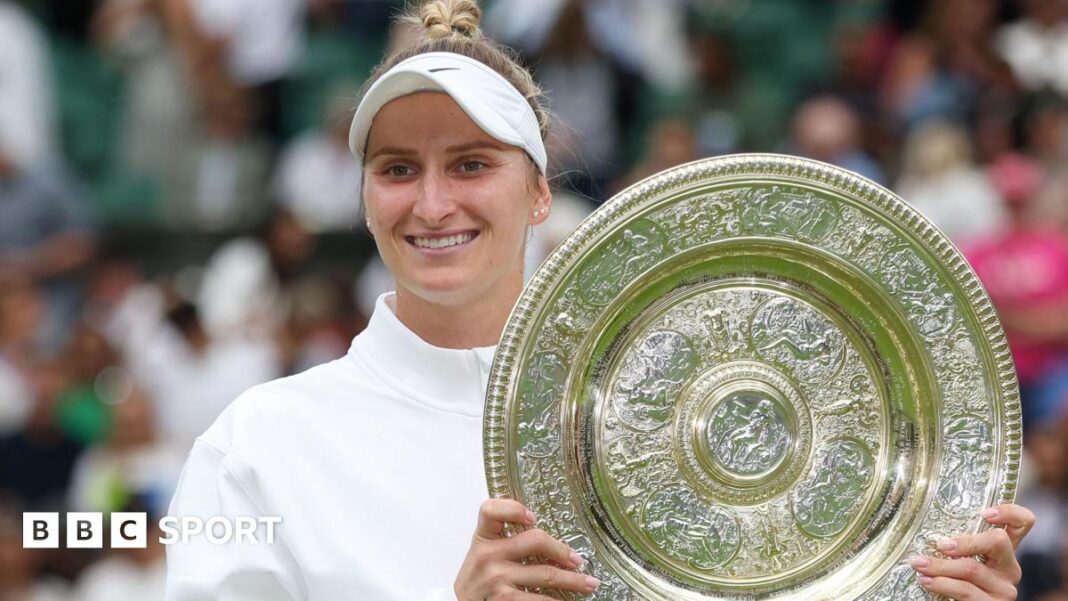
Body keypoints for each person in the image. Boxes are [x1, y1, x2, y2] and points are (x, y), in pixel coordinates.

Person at [164, 2, 1035, 600]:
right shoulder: (258, 445)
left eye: (471, 164)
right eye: (398, 170)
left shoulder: (683, 418)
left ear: (539, 194)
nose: (431, 204)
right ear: (364, 196)